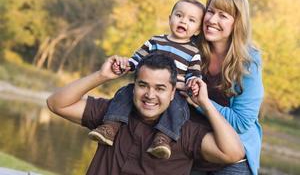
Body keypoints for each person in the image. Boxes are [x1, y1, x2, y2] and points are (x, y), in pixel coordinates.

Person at [47, 53, 245, 175]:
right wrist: (102, 76)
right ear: (133, 87)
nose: (150, 95)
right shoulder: (112, 115)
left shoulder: (185, 133)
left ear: (172, 92)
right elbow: (57, 103)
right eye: (143, 85)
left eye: (160, 88)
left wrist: (205, 103)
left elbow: (233, 152)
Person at [88, 0, 205, 159]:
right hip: (146, 86)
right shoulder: (155, 41)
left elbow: (194, 75)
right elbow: (137, 60)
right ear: (170, 18)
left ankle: (163, 139)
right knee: (125, 92)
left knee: (178, 107)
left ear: (198, 30)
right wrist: (125, 65)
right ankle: (110, 127)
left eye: (191, 20)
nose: (183, 21)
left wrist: (193, 85)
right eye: (179, 15)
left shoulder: (193, 52)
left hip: (174, 92)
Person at [188, 0, 264, 175]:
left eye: (223, 15)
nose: (212, 20)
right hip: (193, 148)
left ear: (237, 23)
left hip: (232, 158)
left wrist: (202, 103)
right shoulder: (190, 46)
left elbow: (241, 122)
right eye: (211, 11)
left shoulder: (248, 61)